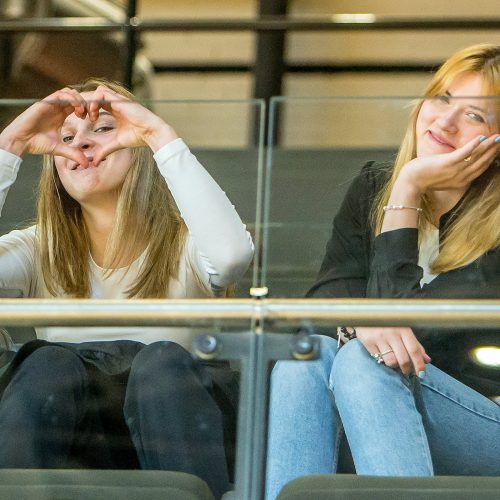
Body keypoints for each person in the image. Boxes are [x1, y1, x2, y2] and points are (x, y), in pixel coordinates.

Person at [266, 43, 500, 499]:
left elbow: (409, 333)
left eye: (475, 116)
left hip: (484, 419)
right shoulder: (373, 185)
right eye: (442, 99)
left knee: (364, 361)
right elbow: (320, 307)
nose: (444, 122)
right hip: (382, 407)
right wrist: (359, 321)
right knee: (305, 357)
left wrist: (409, 186)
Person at [0, 78, 254, 499]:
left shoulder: (187, 243)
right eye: (66, 137)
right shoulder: (36, 247)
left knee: (161, 363)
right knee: (48, 364)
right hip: (73, 445)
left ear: (139, 150)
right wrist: (10, 144)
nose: (82, 145)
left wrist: (159, 135)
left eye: (103, 130)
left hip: (177, 438)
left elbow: (230, 257)